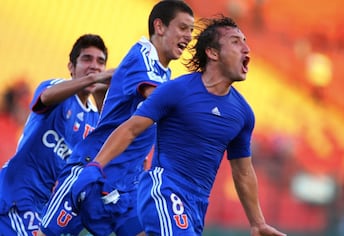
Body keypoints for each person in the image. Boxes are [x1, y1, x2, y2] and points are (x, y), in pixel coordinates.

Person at [75, 16, 288, 236]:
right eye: (236, 42)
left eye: (245, 41)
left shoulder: (243, 113)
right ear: (213, 53)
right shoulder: (177, 90)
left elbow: (243, 171)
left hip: (196, 205)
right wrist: (96, 166)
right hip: (164, 188)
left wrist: (258, 223)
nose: (246, 48)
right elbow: (130, 129)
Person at [38, 1, 194, 236]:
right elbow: (157, 100)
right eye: (183, 28)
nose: (189, 36)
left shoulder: (164, 72)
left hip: (125, 186)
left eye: (191, 30)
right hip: (91, 172)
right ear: (159, 26)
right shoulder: (142, 55)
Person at [0, 34, 113, 235]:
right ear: (71, 66)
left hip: (42, 208)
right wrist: (92, 78)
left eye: (100, 62)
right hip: (16, 193)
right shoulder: (54, 88)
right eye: (87, 59)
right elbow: (45, 98)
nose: (94, 66)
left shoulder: (94, 120)